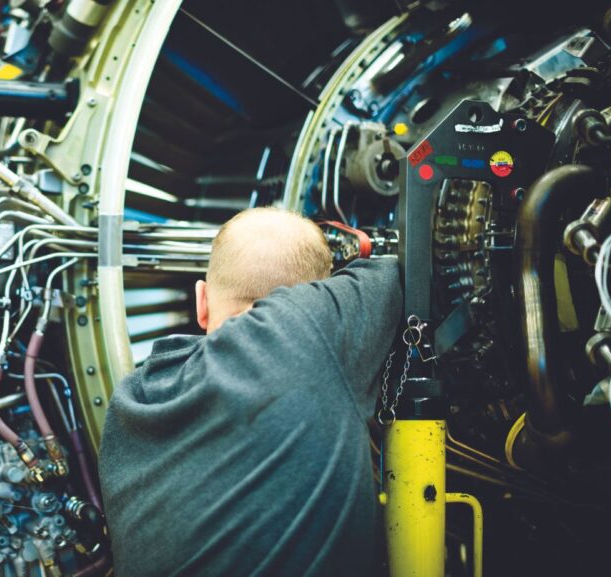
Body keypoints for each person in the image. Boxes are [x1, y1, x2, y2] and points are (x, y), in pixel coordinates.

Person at [98, 207, 403, 576]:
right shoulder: (308, 330)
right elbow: (400, 271)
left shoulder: (132, 398)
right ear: (319, 295)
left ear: (202, 302)